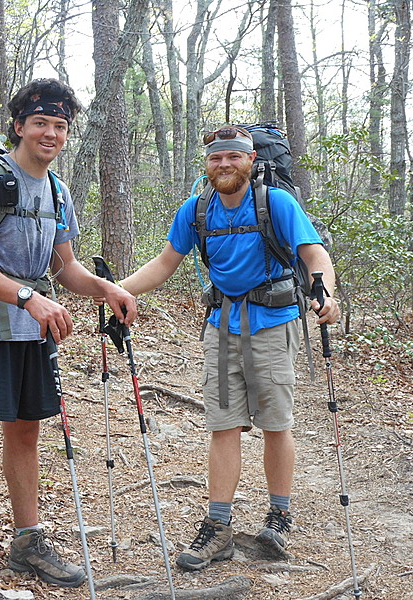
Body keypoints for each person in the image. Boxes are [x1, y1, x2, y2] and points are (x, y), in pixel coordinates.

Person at [0, 78, 137, 600]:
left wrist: (107, 289)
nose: (51, 133)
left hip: (31, 331)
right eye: (41, 123)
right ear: (19, 126)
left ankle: (27, 544)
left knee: (26, 434)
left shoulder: (58, 191)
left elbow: (66, 267)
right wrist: (29, 297)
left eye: (60, 126)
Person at [119, 125, 340, 571]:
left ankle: (278, 517)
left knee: (276, 423)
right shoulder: (197, 210)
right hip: (220, 328)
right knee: (224, 424)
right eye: (217, 158)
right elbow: (164, 264)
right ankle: (217, 527)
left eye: (234, 157)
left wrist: (326, 293)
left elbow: (315, 254)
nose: (224, 164)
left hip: (274, 324)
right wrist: (115, 291)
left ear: (251, 161)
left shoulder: (276, 202)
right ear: (208, 163)